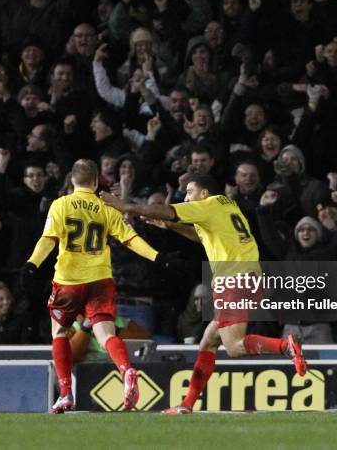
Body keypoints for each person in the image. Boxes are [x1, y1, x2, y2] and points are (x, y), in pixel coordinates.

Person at [101, 174, 307, 414]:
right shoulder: (226, 207)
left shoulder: (207, 206)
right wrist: (171, 226)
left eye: (190, 191)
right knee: (209, 342)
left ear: (204, 194)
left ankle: (285, 346)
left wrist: (126, 206)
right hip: (246, 275)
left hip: (232, 279)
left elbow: (167, 210)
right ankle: (187, 404)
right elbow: (201, 236)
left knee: (234, 347)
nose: (186, 197)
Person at [21, 159, 168, 414]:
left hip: (68, 281)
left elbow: (47, 241)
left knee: (60, 334)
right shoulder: (105, 206)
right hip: (100, 280)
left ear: (73, 179)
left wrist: (31, 264)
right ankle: (127, 369)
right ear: (96, 180)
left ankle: (66, 393)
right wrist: (157, 256)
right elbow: (130, 239)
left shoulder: (61, 205)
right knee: (106, 335)